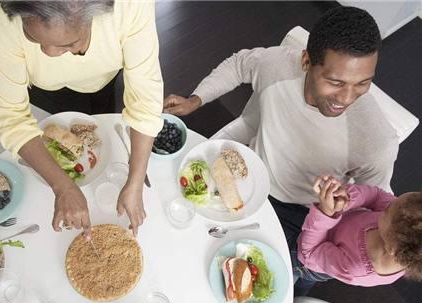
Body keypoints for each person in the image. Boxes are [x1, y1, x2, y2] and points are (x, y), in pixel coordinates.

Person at [162, 7, 398, 252]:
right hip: (250, 175)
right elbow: (239, 64)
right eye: (335, 82)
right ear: (306, 61)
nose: (348, 97)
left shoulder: (377, 141)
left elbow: (375, 202)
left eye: (363, 83)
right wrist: (195, 100)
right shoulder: (280, 64)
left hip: (300, 215)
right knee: (183, 229)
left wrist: (340, 205)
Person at [0, 0, 164, 237]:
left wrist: (136, 181)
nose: (48, 53)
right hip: (44, 91)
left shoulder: (130, 6)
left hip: (104, 80)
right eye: (33, 37)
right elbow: (11, 117)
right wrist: (63, 187)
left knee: (102, 107)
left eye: (67, 44)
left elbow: (145, 101)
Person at [294, 175, 422, 294]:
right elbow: (377, 196)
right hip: (321, 231)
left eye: (387, 209)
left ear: (391, 248)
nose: (389, 203)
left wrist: (326, 213)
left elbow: (309, 252)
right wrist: (347, 199)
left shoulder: (354, 268)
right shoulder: (400, 224)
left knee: (302, 276)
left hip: (307, 258)